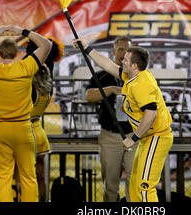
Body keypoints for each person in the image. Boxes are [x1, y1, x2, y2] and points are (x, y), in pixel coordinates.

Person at [73, 39, 173, 202]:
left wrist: (133, 138)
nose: (121, 61)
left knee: (144, 186)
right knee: (134, 183)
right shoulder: (131, 76)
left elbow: (151, 113)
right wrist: (87, 48)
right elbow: (108, 66)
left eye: (126, 59)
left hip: (157, 136)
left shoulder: (140, 84)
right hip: (147, 138)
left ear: (134, 65)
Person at [0, 25, 52, 202]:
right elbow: (46, 45)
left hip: (0, 130)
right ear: (17, 54)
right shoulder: (26, 67)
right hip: (24, 129)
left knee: (2, 178)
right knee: (28, 178)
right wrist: (22, 31)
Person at [85, 36, 137, 202]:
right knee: (110, 185)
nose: (123, 53)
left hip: (133, 135)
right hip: (110, 136)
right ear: (114, 51)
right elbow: (89, 96)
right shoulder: (101, 76)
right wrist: (112, 89)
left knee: (134, 181)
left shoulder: (137, 76)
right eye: (120, 49)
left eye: (126, 50)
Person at [26, 36, 64, 202]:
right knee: (40, 175)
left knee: (23, 177)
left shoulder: (26, 75)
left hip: (24, 131)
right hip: (38, 130)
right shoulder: (47, 75)